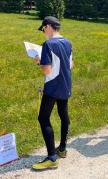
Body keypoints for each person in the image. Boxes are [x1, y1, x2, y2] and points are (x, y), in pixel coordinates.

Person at [32, 16, 73, 170]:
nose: (44, 33)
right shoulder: (68, 42)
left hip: (53, 86)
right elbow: (71, 64)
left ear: (48, 26)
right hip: (66, 84)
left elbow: (47, 69)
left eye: (43, 29)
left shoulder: (48, 44)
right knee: (63, 114)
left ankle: (51, 157)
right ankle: (62, 149)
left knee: (43, 118)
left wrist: (39, 61)